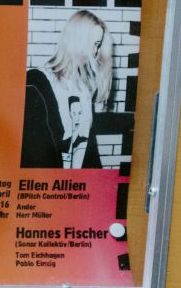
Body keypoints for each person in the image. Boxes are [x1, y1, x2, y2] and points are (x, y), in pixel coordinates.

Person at [21, 10, 113, 170]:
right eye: (88, 42)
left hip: (76, 189)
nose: (93, 52)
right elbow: (31, 153)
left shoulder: (84, 90)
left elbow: (90, 150)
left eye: (97, 44)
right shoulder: (36, 82)